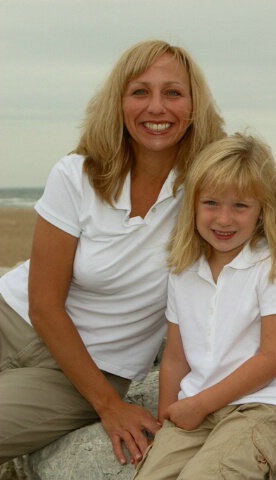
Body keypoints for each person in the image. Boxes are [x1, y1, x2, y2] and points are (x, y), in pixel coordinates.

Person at [0, 39, 225, 466]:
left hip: (89, 372)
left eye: (173, 93)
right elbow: (44, 304)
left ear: (195, 106)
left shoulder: (210, 191)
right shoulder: (77, 174)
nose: (156, 107)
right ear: (119, 103)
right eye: (140, 92)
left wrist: (109, 404)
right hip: (12, 317)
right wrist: (111, 409)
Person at [132, 132, 276, 480]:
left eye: (240, 206)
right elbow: (176, 357)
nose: (224, 220)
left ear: (261, 210)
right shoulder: (182, 270)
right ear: (193, 205)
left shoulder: (271, 265)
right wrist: (169, 418)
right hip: (196, 406)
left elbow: (271, 359)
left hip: (262, 405)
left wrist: (200, 404)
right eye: (211, 203)